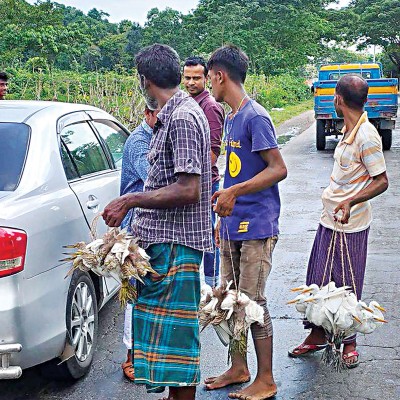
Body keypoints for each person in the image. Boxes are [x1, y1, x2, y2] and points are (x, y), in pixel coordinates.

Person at [102, 43, 212, 400]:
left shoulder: (181, 118)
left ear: (146, 81)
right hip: (163, 246)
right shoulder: (172, 114)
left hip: (176, 248)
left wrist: (129, 199)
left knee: (178, 347)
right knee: (167, 349)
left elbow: (188, 188)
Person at [288, 74, 389, 368]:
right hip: (329, 220)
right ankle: (317, 335)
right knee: (318, 280)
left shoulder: (367, 136)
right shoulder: (348, 130)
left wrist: (350, 201)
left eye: (334, 96)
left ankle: (349, 342)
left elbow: (381, 181)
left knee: (347, 284)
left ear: (339, 100)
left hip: (351, 224)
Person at [205, 45, 287, 400]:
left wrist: (234, 192)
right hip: (233, 224)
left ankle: (266, 379)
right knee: (232, 299)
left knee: (253, 303)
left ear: (220, 76)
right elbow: (236, 168)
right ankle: (239, 367)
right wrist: (225, 205)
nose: (209, 85)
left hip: (257, 226)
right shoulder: (232, 117)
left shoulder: (255, 116)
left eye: (209, 78)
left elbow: (278, 168)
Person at [120, 105, 159, 381]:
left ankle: (148, 352)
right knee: (133, 292)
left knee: (151, 291)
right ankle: (131, 356)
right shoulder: (139, 142)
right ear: (147, 113)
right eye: (159, 114)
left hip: (153, 226)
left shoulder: (158, 136)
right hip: (135, 228)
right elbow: (154, 182)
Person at [183, 56, 224, 287]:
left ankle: (212, 284)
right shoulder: (187, 103)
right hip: (191, 183)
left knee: (208, 235)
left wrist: (187, 171)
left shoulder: (210, 107)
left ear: (206, 78)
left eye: (196, 78)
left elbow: (212, 154)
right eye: (187, 78)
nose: (191, 82)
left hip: (206, 184)